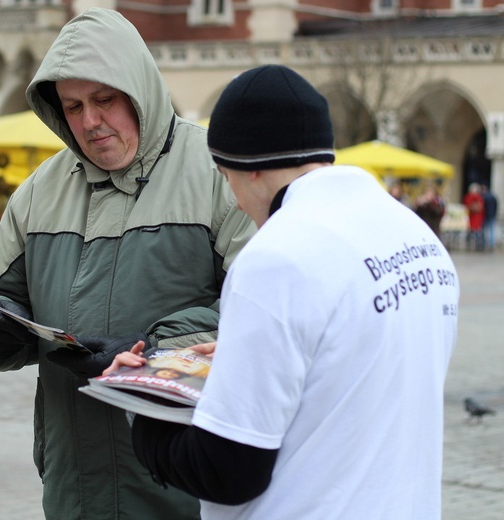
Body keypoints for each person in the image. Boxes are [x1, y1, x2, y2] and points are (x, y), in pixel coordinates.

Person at [115, 65, 459, 519]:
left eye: (225, 177)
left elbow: (227, 471)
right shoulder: (414, 235)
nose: (234, 200)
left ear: (249, 169)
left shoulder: (276, 258)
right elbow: (356, 363)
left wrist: (145, 403)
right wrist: (251, 352)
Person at [0, 8, 256, 519]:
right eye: (72, 106)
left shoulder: (218, 173)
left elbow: (263, 318)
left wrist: (151, 353)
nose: (90, 122)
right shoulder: (38, 192)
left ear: (138, 89)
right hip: (73, 483)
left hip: (185, 476)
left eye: (104, 99)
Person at [464, 183, 485, 251]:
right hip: (477, 218)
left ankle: (472, 245)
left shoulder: (469, 197)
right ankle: (477, 245)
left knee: (473, 233)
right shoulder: (479, 197)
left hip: (472, 218)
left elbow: (467, 206)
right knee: (477, 232)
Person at [482, 184, 498, 251]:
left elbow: (483, 207)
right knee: (492, 230)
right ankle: (492, 244)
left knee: (486, 230)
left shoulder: (484, 197)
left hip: (486, 215)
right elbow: (496, 206)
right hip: (492, 215)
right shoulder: (493, 197)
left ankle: (486, 243)